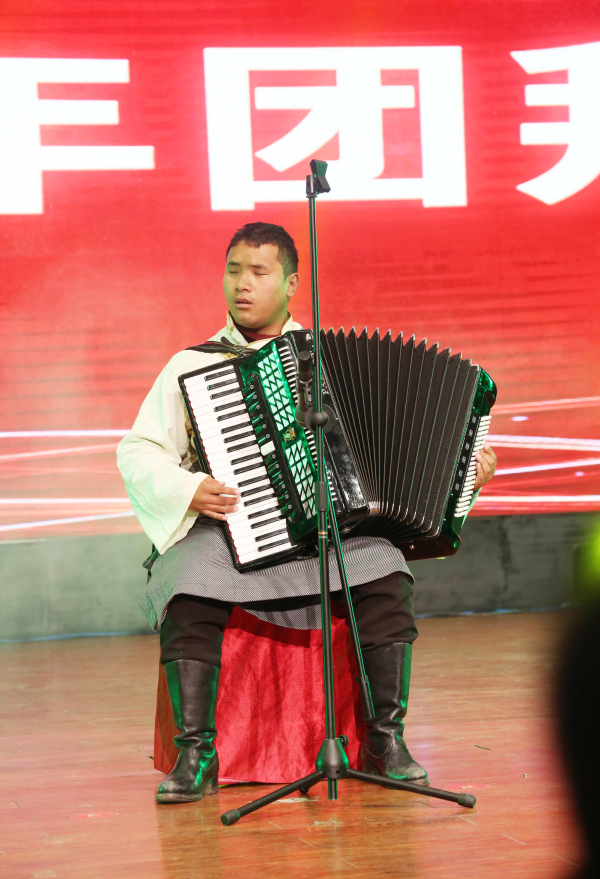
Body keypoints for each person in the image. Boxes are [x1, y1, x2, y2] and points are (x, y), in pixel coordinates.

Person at [117, 221, 497, 805]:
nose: (242, 284)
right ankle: (197, 754)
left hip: (327, 533)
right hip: (228, 531)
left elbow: (406, 448)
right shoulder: (192, 364)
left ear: (292, 284)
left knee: (387, 570)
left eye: (258, 272)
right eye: (233, 270)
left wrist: (465, 471)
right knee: (186, 581)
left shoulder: (328, 361)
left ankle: (384, 740)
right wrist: (188, 487)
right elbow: (139, 450)